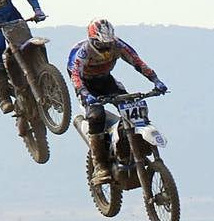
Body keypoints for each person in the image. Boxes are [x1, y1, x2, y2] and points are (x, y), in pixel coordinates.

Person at [67, 19, 168, 184]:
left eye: (108, 44)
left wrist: (155, 80)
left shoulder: (118, 45)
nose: (106, 49)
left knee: (132, 104)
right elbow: (75, 75)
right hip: (86, 86)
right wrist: (84, 93)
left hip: (107, 82)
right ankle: (100, 166)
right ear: (93, 40)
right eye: (102, 45)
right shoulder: (83, 52)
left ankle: (133, 145)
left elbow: (137, 61)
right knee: (95, 116)